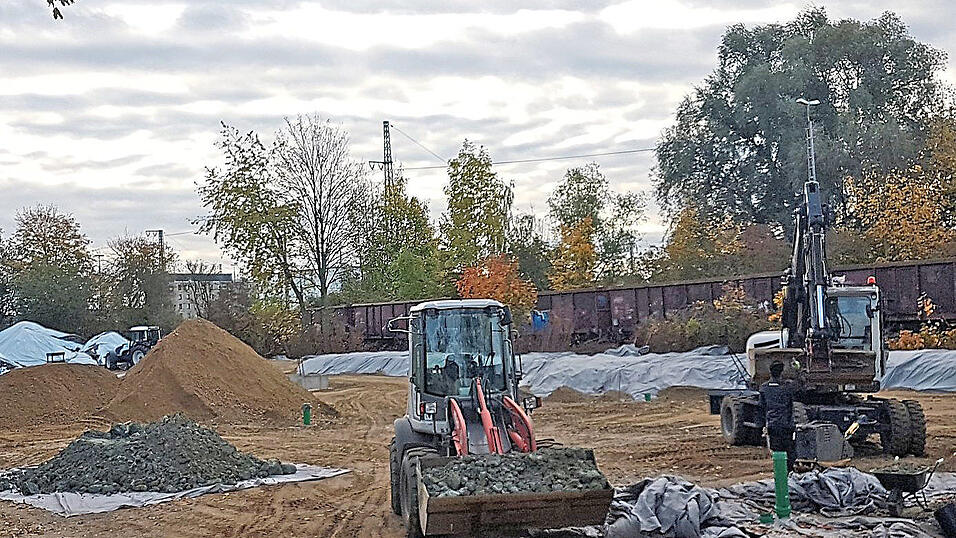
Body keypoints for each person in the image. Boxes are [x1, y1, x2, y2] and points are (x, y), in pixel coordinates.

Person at [759, 360, 796, 470]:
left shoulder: (764, 388)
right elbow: (791, 405)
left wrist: (763, 426)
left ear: (770, 372)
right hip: (786, 425)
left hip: (773, 425)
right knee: (790, 452)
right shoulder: (787, 387)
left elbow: (761, 408)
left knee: (777, 452)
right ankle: (789, 474)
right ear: (782, 372)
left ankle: (779, 474)